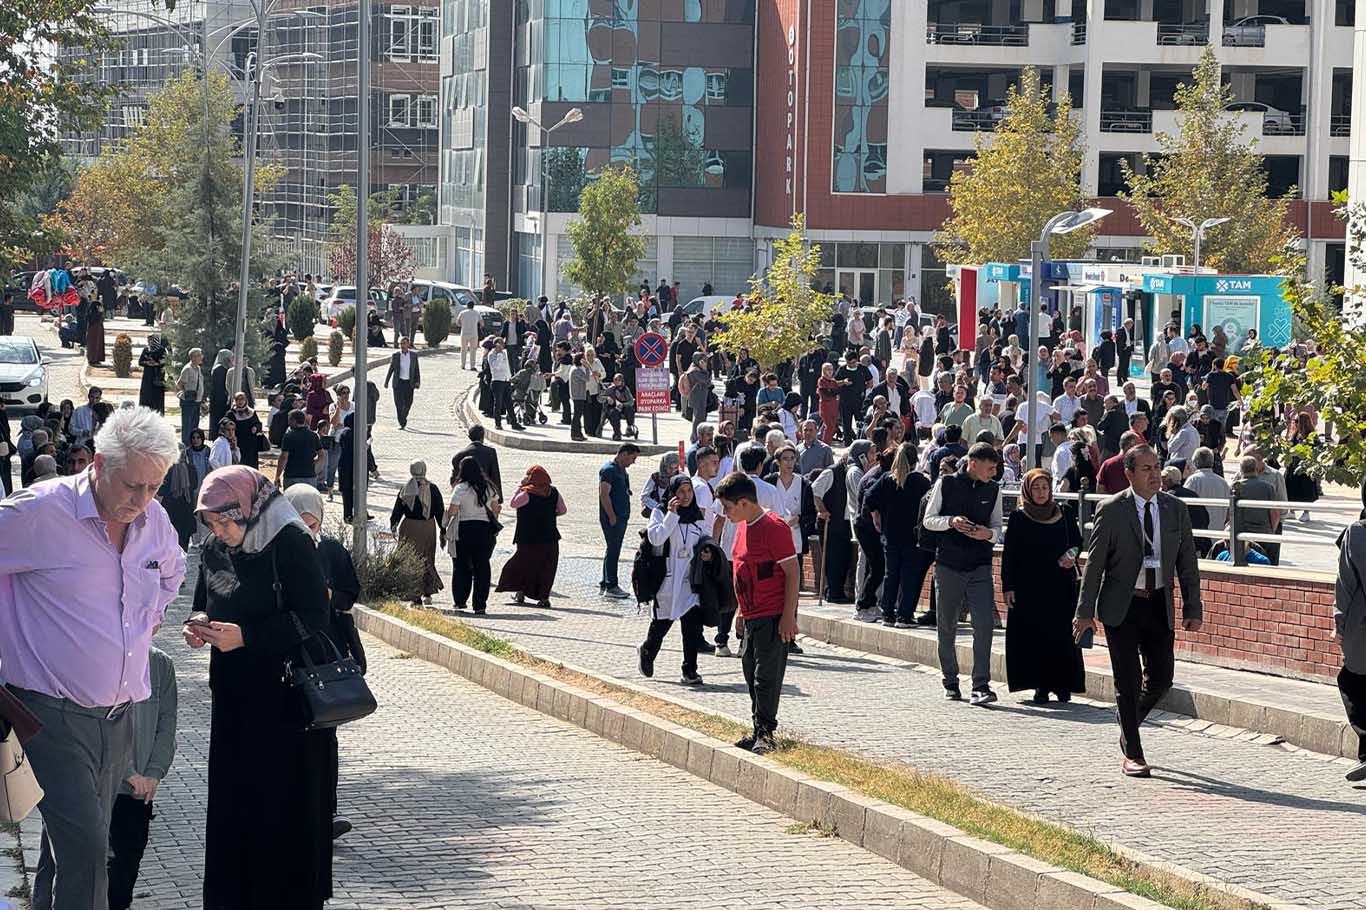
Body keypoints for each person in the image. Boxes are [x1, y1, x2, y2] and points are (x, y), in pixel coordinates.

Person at [0, 406, 185, 910]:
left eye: (154, 487)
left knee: (68, 851)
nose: (141, 500)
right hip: (49, 715)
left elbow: (172, 570)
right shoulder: (39, 512)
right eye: (132, 485)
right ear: (98, 464)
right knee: (87, 853)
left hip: (119, 719)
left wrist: (150, 616)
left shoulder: (155, 519)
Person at [183, 466, 334, 908]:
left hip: (285, 707)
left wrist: (247, 637)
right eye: (211, 522)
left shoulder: (288, 542)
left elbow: (313, 617)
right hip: (233, 702)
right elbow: (204, 600)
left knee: (281, 813)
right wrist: (198, 624)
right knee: (235, 809)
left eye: (227, 520)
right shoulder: (215, 546)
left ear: (252, 508)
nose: (221, 530)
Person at [1073, 445, 1202, 778]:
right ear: (1129, 474)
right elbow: (1095, 564)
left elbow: (1188, 561)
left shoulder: (1175, 509)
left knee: (1161, 678)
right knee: (1127, 681)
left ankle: (1127, 719)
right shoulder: (1112, 509)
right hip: (1122, 604)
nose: (1155, 474)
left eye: (1157, 467)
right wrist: (1084, 612)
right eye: (1146, 468)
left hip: (1159, 602)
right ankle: (1133, 751)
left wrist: (1192, 604)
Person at [718, 472, 799, 755]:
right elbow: (743, 570)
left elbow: (792, 573)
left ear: (743, 503)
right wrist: (740, 610)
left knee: (766, 676)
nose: (724, 513)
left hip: (773, 614)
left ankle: (766, 733)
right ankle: (757, 729)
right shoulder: (742, 527)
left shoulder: (774, 527)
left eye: (728, 507)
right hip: (750, 615)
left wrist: (789, 616)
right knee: (750, 671)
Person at [922, 442, 1004, 705]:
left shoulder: (994, 489)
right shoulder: (945, 484)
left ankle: (981, 684)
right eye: (989, 468)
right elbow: (928, 519)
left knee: (984, 624)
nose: (993, 473)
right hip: (948, 564)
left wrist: (988, 534)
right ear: (973, 463)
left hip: (980, 564)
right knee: (947, 625)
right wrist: (951, 522)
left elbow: (997, 527)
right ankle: (950, 680)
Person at [1002, 469, 1085, 703]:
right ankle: (1041, 685)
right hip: (1029, 588)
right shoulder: (1019, 518)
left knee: (1061, 636)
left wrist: (1071, 555)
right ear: (1028, 490)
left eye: (1045, 487)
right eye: (1036, 488)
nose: (1041, 493)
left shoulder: (1064, 513)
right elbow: (1009, 555)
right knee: (1035, 637)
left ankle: (1063, 684)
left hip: (1060, 586)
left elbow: (1077, 542)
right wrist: (1008, 586)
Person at [107, 644, 177, 910]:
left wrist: (154, 774)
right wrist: (128, 771)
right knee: (91, 867)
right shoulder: (102, 655)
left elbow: (167, 724)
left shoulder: (161, 664)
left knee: (128, 863)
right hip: (101, 784)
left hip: (139, 791)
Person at [637, 474, 710, 685]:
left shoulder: (697, 514)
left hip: (689, 579)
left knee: (692, 627)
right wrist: (671, 515)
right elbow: (656, 538)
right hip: (667, 578)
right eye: (681, 492)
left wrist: (708, 553)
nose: (686, 496)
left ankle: (690, 670)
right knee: (662, 624)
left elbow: (705, 538)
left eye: (689, 492)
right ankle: (647, 652)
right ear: (673, 494)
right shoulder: (660, 512)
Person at [866, 441, 933, 627]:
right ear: (915, 460)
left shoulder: (888, 479)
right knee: (909, 575)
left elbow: (869, 497)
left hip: (891, 534)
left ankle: (887, 613)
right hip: (912, 536)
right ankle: (904, 615)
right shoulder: (921, 481)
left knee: (891, 574)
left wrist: (876, 516)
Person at [495, 465, 566, 608]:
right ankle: (544, 598)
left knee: (523, 565)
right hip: (549, 537)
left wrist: (520, 485)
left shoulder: (526, 493)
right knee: (546, 567)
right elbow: (563, 510)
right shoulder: (553, 492)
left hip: (528, 537)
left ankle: (520, 592)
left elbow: (513, 503)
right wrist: (549, 515)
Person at [1334, 486, 1366, 782]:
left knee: (1351, 681)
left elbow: (1344, 584)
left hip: (1362, 626)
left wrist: (1339, 624)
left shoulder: (1357, 533)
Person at [446, 455, 501, 613]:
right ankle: (480, 605)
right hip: (484, 530)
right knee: (482, 567)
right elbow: (496, 509)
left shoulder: (460, 488)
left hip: (464, 530)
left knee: (461, 566)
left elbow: (452, 511)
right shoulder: (489, 487)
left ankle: (460, 601)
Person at [392, 461, 445, 605]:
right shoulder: (433, 489)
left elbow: (398, 509)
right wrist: (443, 530)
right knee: (427, 558)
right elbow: (440, 510)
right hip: (428, 527)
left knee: (410, 559)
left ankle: (414, 595)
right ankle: (427, 592)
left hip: (409, 527)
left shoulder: (406, 489)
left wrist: (393, 524)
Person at [598, 443, 641, 599]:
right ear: (623, 454)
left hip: (621, 516)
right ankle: (611, 585)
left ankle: (605, 581)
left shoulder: (622, 470)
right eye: (632, 458)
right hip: (613, 518)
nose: (633, 462)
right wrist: (612, 516)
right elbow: (604, 494)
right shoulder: (609, 470)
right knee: (614, 550)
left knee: (612, 548)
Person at [452, 424, 503, 500]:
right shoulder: (490, 452)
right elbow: (495, 475)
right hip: (486, 493)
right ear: (482, 437)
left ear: (469, 437)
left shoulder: (459, 455)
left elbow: (454, 479)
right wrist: (499, 498)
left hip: (465, 495)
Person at [276, 408, 323, 490]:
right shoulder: (313, 435)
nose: (288, 423)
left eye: (289, 420)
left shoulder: (288, 436)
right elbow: (321, 454)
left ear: (294, 420)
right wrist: (314, 463)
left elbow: (284, 457)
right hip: (309, 476)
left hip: (291, 476)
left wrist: (277, 476)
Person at [384, 336, 422, 430]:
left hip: (409, 383)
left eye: (404, 343)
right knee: (398, 403)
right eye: (401, 344)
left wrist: (417, 382)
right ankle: (402, 422)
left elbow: (416, 369)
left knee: (409, 402)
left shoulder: (413, 356)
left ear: (408, 344)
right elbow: (391, 369)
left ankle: (404, 416)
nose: (402, 346)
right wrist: (387, 381)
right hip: (398, 383)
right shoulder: (396, 356)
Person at [137, 335, 167, 414]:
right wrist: (147, 363)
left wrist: (156, 363)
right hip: (147, 377)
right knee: (146, 396)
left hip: (157, 377)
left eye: (151, 340)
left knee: (157, 398)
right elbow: (140, 362)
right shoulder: (146, 349)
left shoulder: (161, 350)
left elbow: (165, 361)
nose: (149, 342)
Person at [209, 349, 233, 439]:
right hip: (219, 400)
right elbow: (220, 387)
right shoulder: (219, 369)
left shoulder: (223, 368)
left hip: (220, 399)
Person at [457, 301, 482, 370]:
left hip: (464, 333)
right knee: (473, 350)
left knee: (463, 349)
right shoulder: (477, 313)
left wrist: (463, 325)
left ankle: (463, 365)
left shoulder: (462, 313)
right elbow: (482, 323)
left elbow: (457, 322)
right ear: (473, 306)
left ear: (467, 306)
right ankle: (472, 366)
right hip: (474, 333)